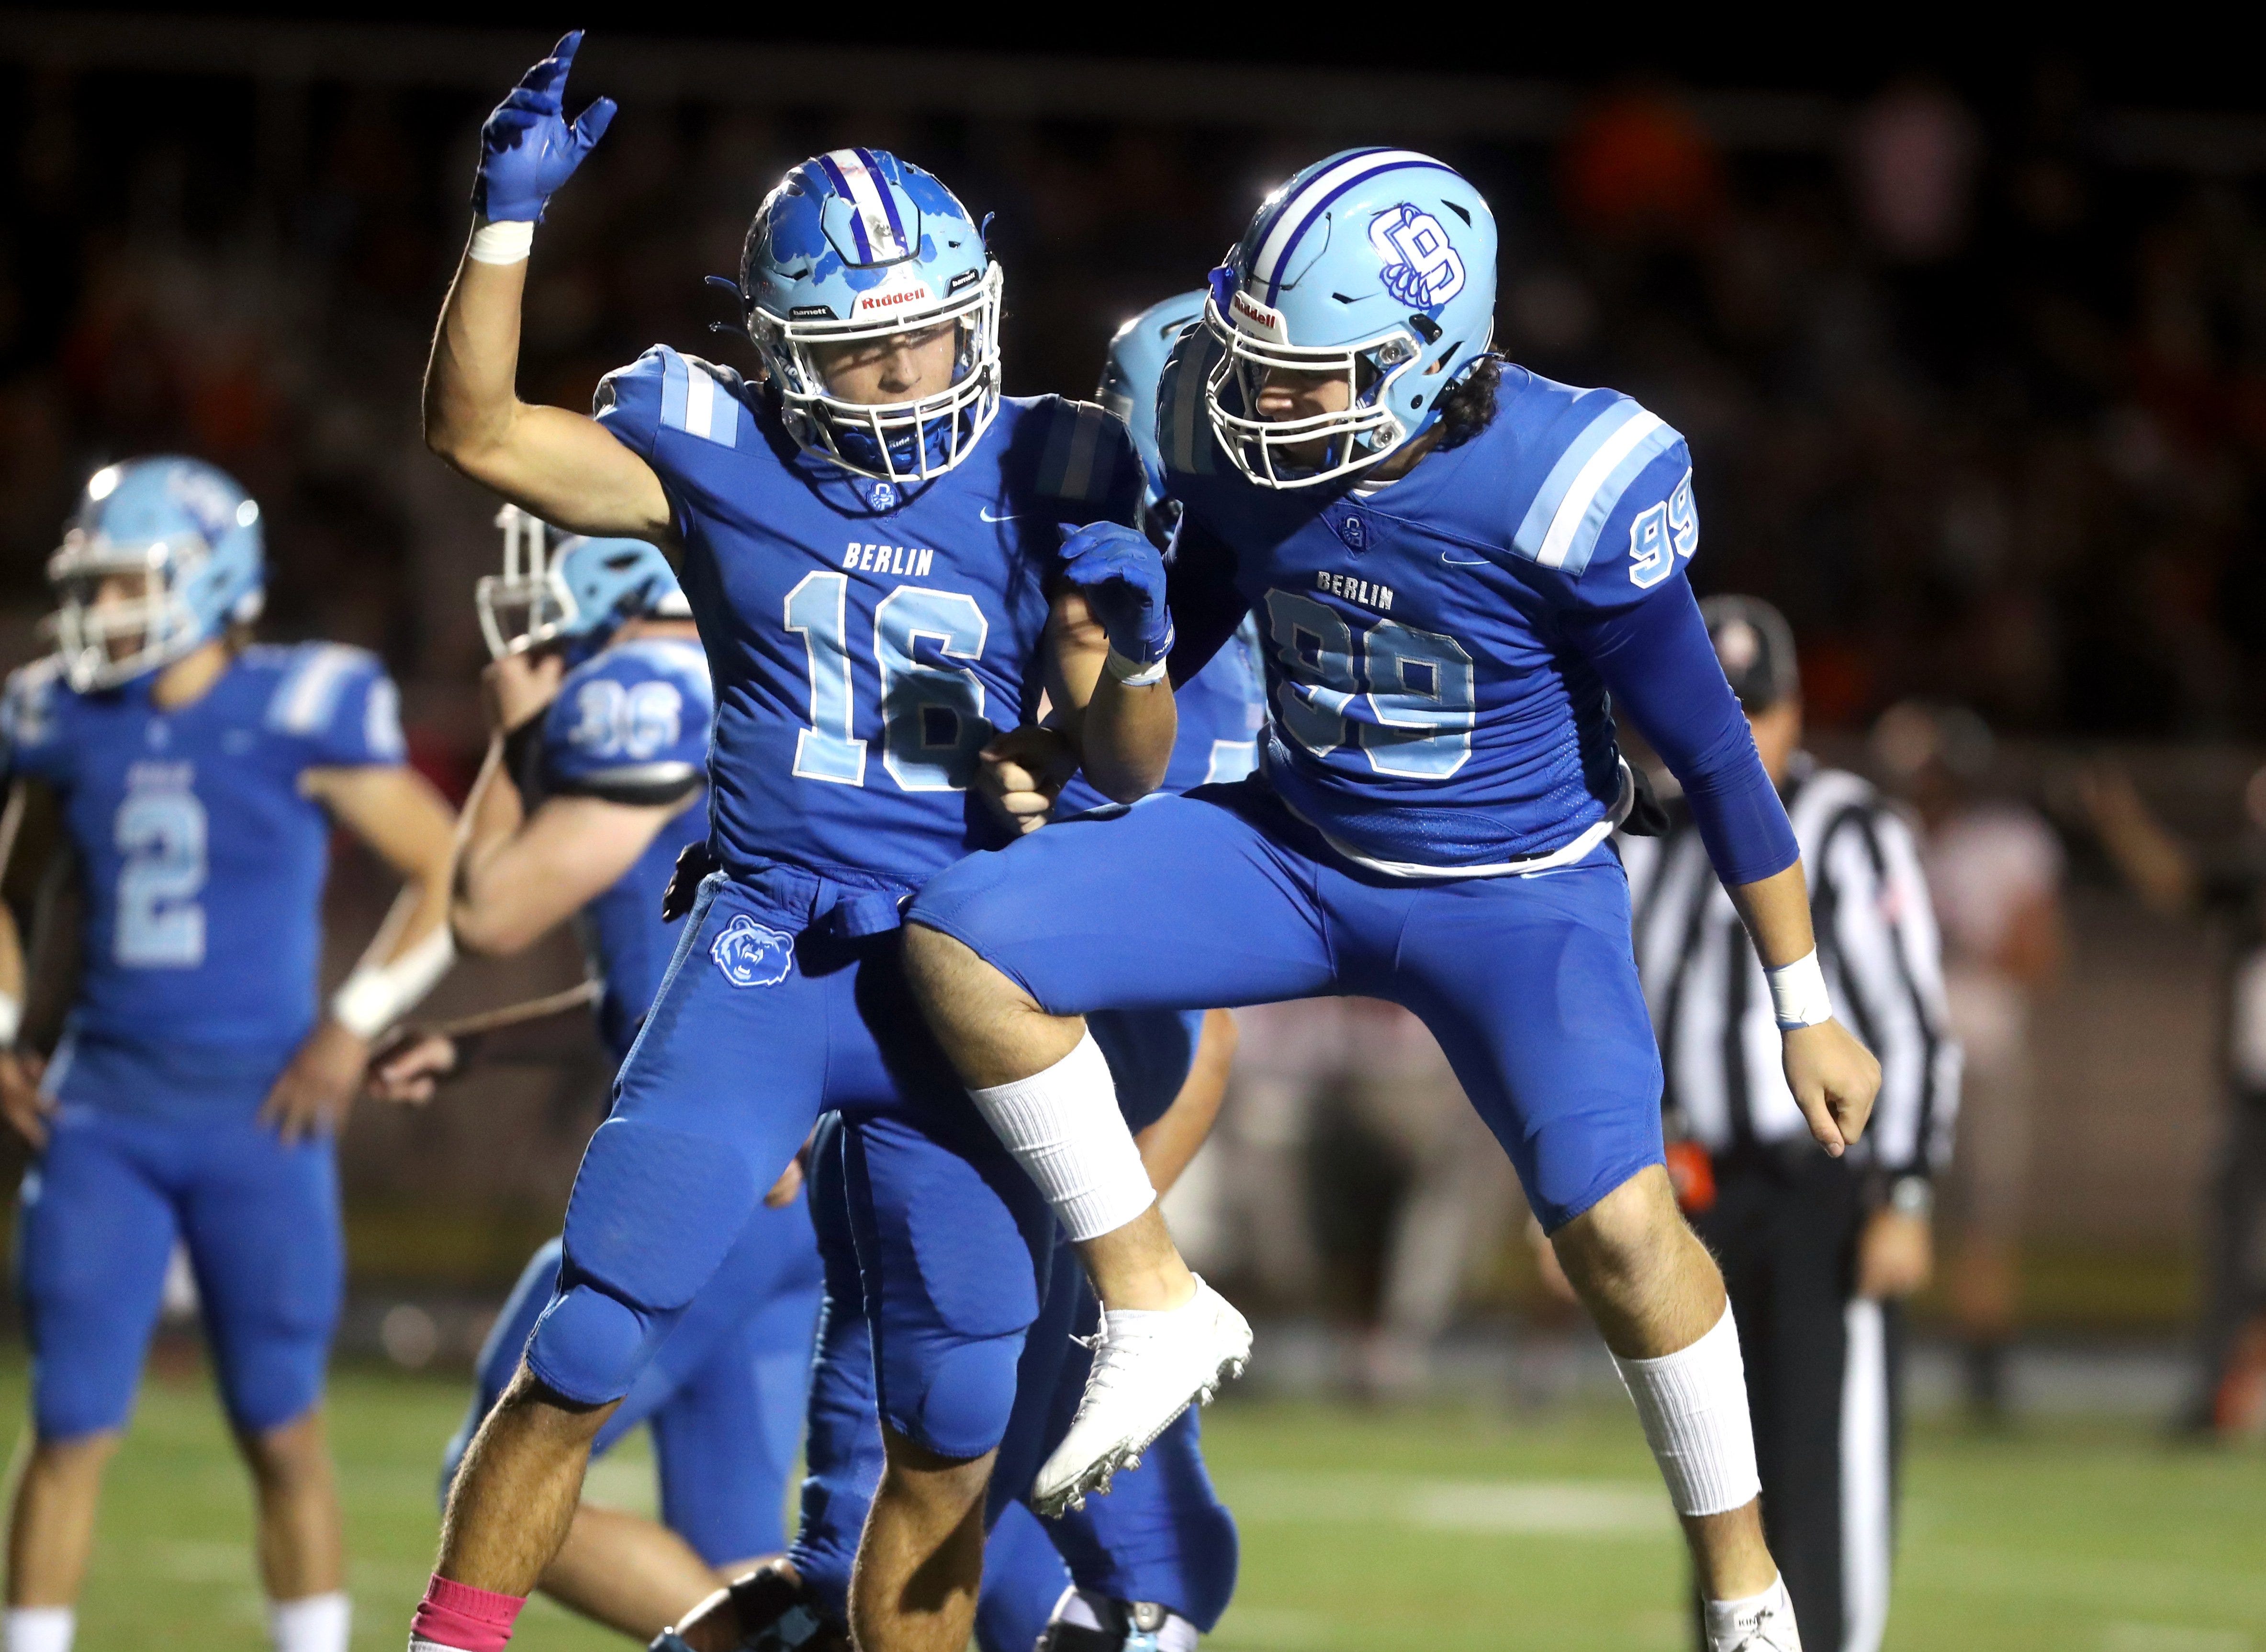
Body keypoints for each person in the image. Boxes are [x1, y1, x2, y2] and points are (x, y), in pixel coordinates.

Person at [902, 148, 1883, 1652]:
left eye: (1307, 374)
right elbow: (1209, 612)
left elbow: (1709, 754)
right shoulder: (1234, 427)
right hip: (1295, 853)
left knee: (1622, 1234)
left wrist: (1801, 1001)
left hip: (1515, 900)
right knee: (962, 942)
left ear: (1428, 363)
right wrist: (1072, 730)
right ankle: (1151, 1291)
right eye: (1256, 360)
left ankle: (1746, 1589)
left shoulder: (1565, 478)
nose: (1258, 398)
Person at [406, 37, 1177, 1652]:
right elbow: (478, 434)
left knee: (955, 1418)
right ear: (778, 352)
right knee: (591, 1340)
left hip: (962, 973)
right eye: (861, 353)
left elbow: (1120, 756)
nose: (901, 382)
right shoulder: (712, 446)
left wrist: (1132, 643)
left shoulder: (1057, 464)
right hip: (765, 950)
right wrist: (502, 233)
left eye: (925, 342)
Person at [660, 289, 1254, 1652]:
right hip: (946, 1124)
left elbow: (1202, 1023)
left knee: (1120, 1581)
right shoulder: (1029, 589)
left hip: (1047, 1152)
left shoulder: (1220, 647)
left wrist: (1109, 1228)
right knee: (864, 1548)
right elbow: (902, 768)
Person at [0, 457, 458, 1652]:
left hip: (260, 1118)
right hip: (102, 1114)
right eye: (90, 590)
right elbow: (17, 890)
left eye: (122, 587)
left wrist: (353, 1019)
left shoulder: (297, 709)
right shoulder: (63, 719)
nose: (98, 615)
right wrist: (12, 1034)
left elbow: (446, 863)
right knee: (67, 1424)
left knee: (283, 1426)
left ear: (211, 583)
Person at [366, 515, 824, 1641]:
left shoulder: (644, 693)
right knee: (736, 1552)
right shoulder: (751, 681)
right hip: (791, 1192)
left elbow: (485, 910)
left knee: (497, 1487)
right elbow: (665, 994)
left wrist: (515, 747)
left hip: (710, 1187)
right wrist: (483, 1045)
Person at [1623, 596, 1957, 1652]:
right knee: (1719, 1466)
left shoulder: (1852, 828)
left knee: (1827, 1459)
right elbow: (1635, 1022)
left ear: (1797, 710)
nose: (1739, 734)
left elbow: (1911, 1024)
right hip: (1701, 1192)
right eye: (1718, 708)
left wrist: (1904, 1190)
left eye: (1755, 710)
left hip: (1826, 1186)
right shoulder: (1651, 829)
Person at [1870, 700, 2064, 1419]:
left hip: (1982, 1053)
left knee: (1985, 1222)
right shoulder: (1884, 834)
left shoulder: (2007, 842)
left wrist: (1956, 934)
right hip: (1896, 1054)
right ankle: (1873, 1360)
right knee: (1882, 1208)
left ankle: (1985, 1380)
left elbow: (2039, 956)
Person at [2077, 757, 2266, 1433]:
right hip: (2251, 1096)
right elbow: (2175, 880)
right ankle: (2217, 1393)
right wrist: (2120, 821)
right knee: (2231, 1244)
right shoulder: (2251, 880)